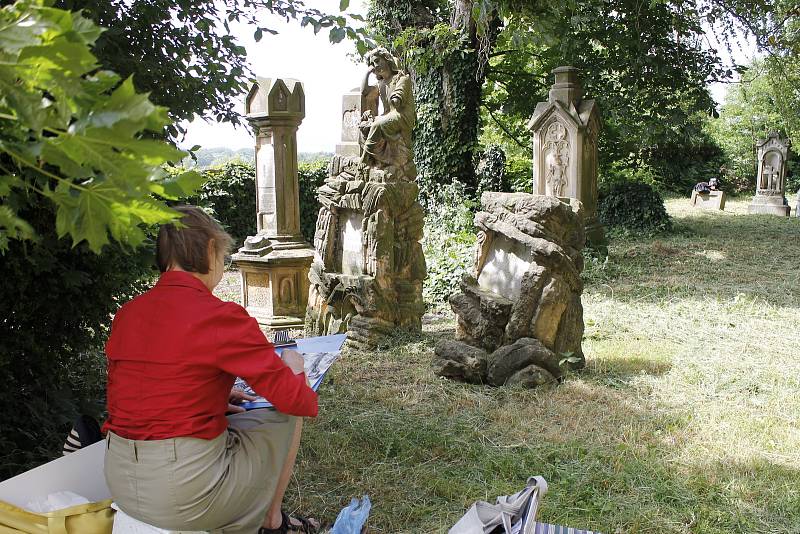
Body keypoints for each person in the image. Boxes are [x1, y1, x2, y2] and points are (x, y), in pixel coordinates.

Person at [103, 206, 320, 534]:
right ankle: (271, 520)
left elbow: (148, 392)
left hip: (120, 480)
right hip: (185, 495)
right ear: (209, 251)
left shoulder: (127, 314)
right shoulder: (218, 315)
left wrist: (214, 398)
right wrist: (294, 367)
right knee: (284, 413)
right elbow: (299, 401)